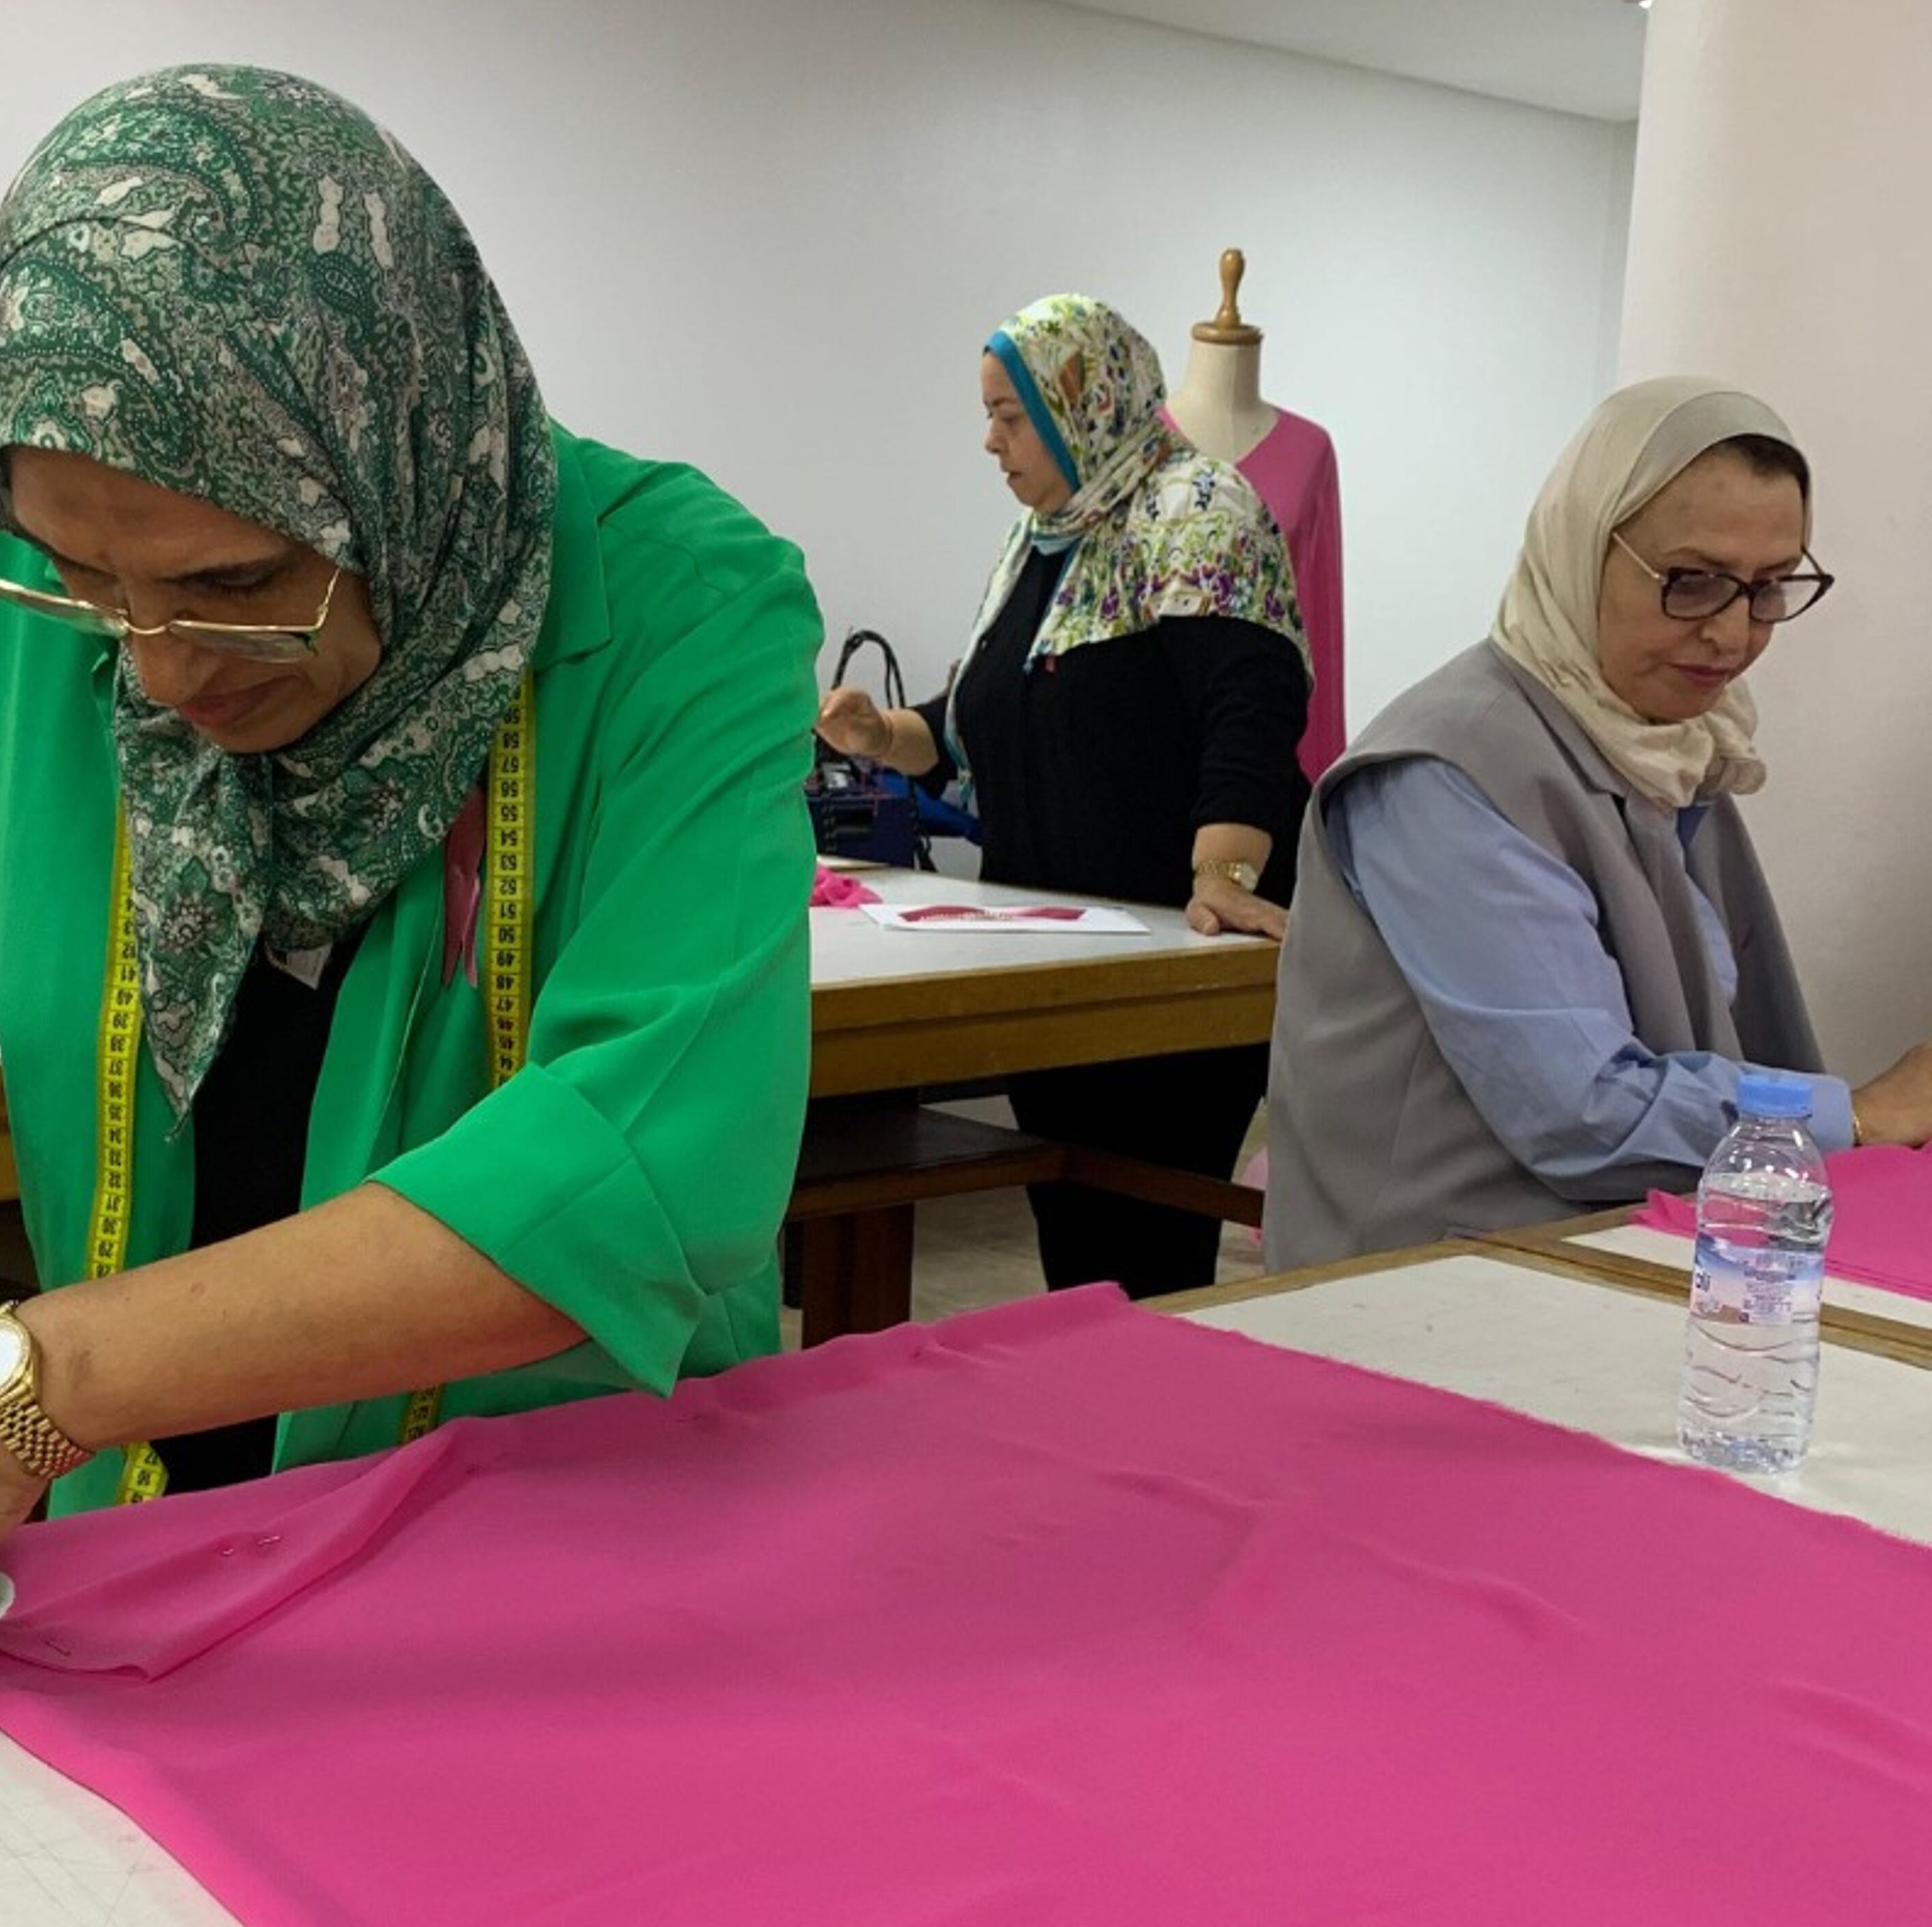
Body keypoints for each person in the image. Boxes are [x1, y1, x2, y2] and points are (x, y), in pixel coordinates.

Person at [0, 65, 820, 1737]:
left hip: (553, 1550)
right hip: (136, 1518)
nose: (159, 666)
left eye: (239, 587)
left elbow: (650, 1160)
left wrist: (28, 1384)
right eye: (86, 590)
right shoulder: (5, 498)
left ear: (400, 457)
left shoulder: (676, 604)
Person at [1265, 374, 1932, 1267]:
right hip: (1425, 1289)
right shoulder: (1446, 773)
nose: (1733, 637)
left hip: (1618, 1252)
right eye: (1692, 582)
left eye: (1770, 588)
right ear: (1580, 549)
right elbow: (1576, 1113)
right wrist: (1858, 1113)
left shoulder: (1671, 750)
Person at [816, 295, 1311, 1298]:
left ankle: (1149, 1428)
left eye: (1009, 415)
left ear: (1080, 404)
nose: (990, 441)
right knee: (1078, 1243)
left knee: (1147, 1242)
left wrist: (1224, 874)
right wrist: (882, 738)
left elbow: (1248, 713)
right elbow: (978, 732)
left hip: (1167, 960)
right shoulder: (1045, 542)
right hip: (1059, 943)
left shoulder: (1198, 511)